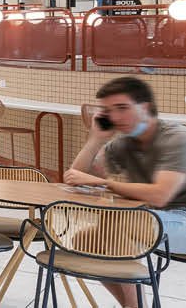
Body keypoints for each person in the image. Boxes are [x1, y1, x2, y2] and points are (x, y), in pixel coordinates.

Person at [64, 76, 186, 305]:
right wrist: (95, 140)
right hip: (153, 218)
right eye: (109, 111)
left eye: (122, 108)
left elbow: (161, 196)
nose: (115, 117)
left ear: (146, 107)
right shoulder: (125, 143)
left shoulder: (175, 137)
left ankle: (135, 305)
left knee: (117, 223)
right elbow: (76, 179)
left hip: (182, 219)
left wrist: (105, 183)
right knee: (84, 240)